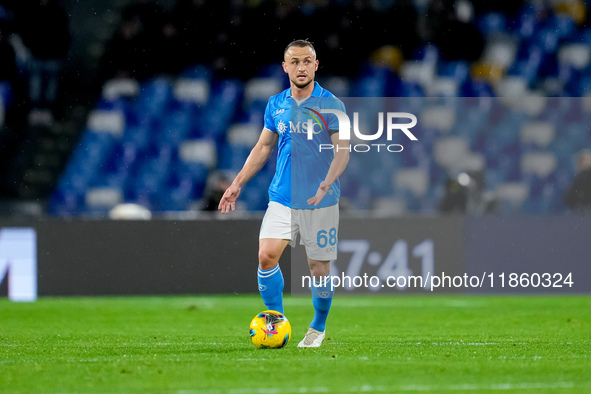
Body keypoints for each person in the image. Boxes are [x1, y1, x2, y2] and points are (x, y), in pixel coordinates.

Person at [218, 40, 349, 348]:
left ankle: (317, 327)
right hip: (282, 195)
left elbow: (343, 150)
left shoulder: (331, 105)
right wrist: (237, 183)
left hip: (320, 199)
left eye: (307, 61)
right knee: (266, 256)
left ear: (316, 65)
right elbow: (263, 147)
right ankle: (277, 322)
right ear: (285, 66)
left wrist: (328, 182)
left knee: (319, 268)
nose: (301, 67)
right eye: (295, 62)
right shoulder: (276, 103)